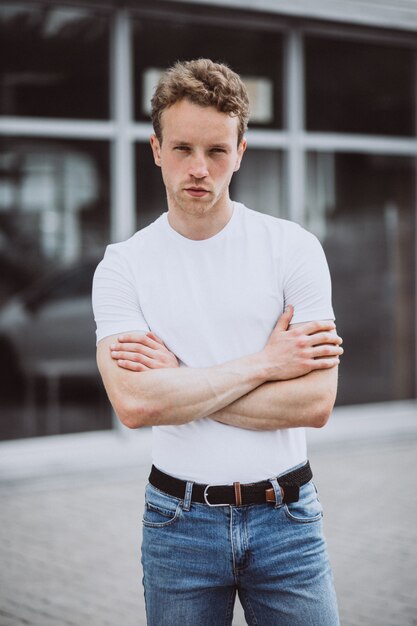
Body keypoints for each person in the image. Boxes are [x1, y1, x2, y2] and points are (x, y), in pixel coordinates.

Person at [92, 58, 343, 626]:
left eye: (217, 151)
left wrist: (180, 380)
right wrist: (267, 363)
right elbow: (136, 404)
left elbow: (313, 403)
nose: (199, 168)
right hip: (177, 523)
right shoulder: (123, 267)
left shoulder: (292, 249)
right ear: (155, 148)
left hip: (289, 522)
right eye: (182, 149)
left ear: (241, 151)